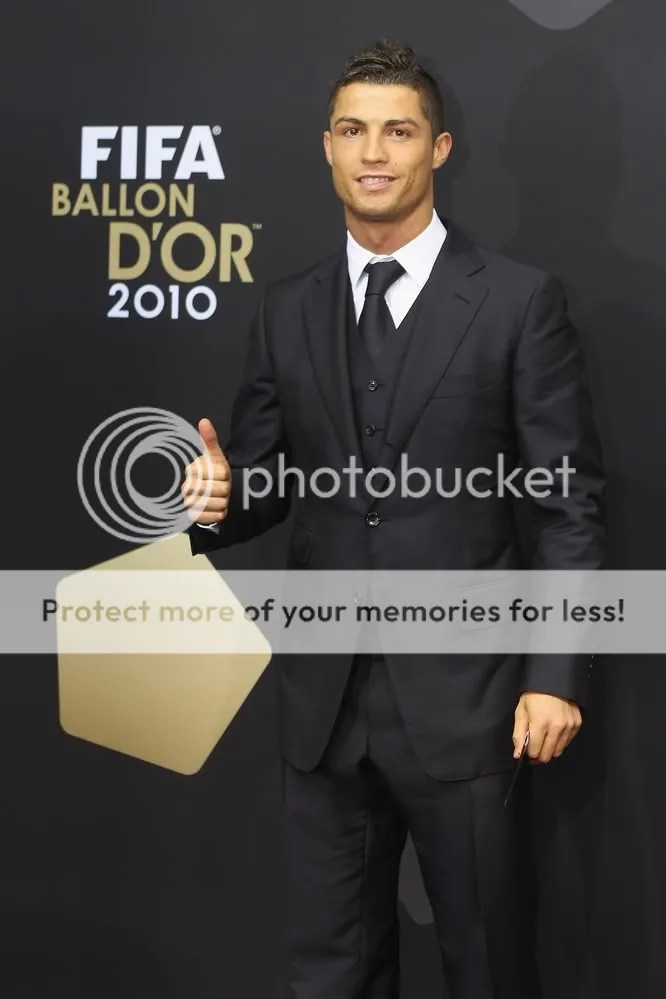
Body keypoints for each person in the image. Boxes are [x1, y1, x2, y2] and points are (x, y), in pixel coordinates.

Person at [182, 38, 605, 999]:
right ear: (327, 147)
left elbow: (566, 508)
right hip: (322, 715)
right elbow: (266, 483)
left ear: (439, 149)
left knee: (488, 968)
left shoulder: (517, 302)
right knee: (329, 975)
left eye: (398, 131)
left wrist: (553, 675)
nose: (374, 152)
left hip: (473, 706)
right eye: (353, 130)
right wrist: (219, 499)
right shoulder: (285, 309)